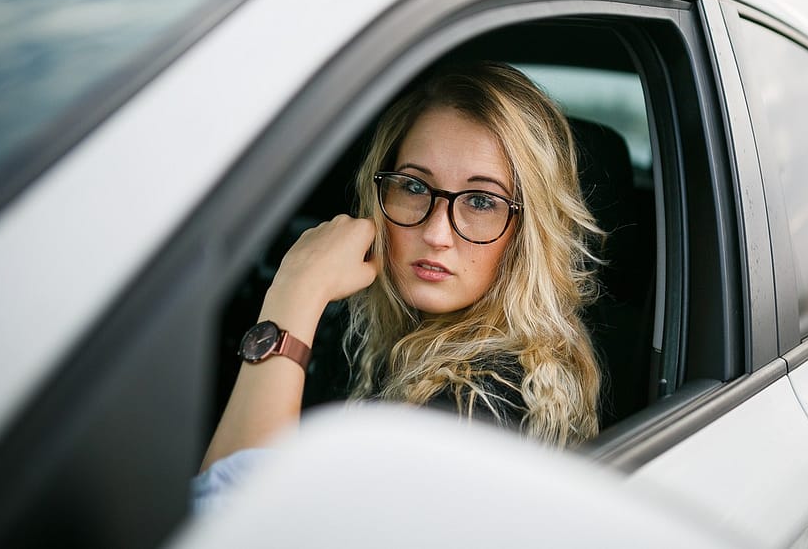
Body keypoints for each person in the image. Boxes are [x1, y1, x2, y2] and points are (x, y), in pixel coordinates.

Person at [195, 62, 603, 506]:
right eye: (413, 186)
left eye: (481, 201)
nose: (436, 233)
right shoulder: (375, 337)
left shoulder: (483, 402)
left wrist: (295, 290)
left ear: (527, 230)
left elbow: (228, 519)